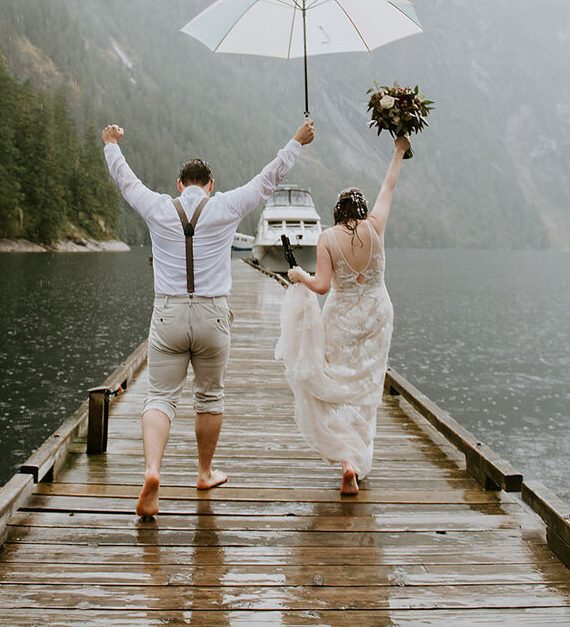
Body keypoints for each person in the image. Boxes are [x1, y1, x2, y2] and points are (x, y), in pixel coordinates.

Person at [103, 118, 316, 518]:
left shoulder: (158, 206)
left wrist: (111, 144)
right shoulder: (226, 206)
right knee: (210, 396)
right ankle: (203, 472)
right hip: (213, 315)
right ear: (210, 184)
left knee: (160, 397)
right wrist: (296, 142)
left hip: (167, 312)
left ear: (180, 185)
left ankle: (152, 472)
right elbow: (267, 180)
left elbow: (126, 182)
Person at [277, 134, 409, 495]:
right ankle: (355, 459)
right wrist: (398, 151)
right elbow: (389, 185)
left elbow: (321, 286)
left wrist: (298, 275)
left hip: (342, 316)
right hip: (378, 315)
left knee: (337, 386)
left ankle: (346, 459)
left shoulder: (326, 238)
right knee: (366, 388)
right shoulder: (375, 226)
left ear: (337, 212)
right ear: (362, 211)